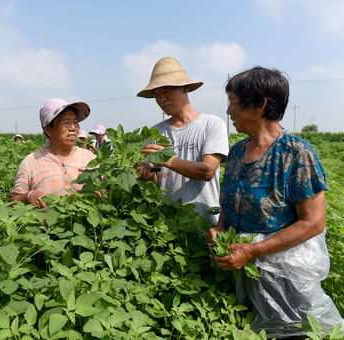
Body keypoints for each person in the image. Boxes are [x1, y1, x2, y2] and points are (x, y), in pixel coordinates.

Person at [206, 67, 343, 338]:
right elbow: (229, 207)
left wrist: (253, 251)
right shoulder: (235, 153)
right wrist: (221, 229)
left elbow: (313, 223)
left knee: (295, 333)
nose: (228, 111)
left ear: (260, 105)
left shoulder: (296, 154)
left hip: (286, 279)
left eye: (233, 103)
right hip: (240, 269)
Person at [136, 57, 229, 223]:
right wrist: (148, 173)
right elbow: (158, 175)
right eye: (156, 94)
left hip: (204, 225)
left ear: (185, 88)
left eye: (166, 91)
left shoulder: (211, 124)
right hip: (165, 228)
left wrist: (168, 160)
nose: (161, 99)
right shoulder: (154, 132)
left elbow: (207, 171)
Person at [11, 98, 96, 208]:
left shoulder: (90, 158)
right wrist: (28, 196)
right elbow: (13, 201)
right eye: (66, 123)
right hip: (47, 225)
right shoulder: (30, 162)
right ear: (48, 130)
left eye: (75, 122)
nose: (73, 128)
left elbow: (107, 189)